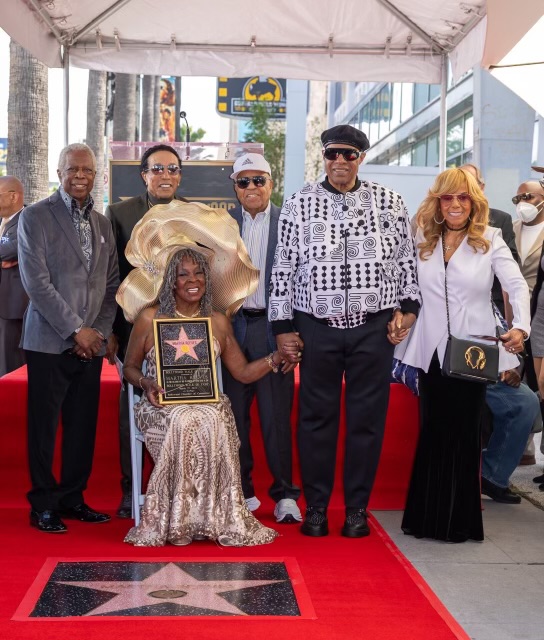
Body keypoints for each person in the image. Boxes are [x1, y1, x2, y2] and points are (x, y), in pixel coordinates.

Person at [269, 124, 420, 538]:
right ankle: (316, 507)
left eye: (348, 155)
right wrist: (282, 326)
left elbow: (406, 262)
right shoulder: (299, 203)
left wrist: (408, 309)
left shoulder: (390, 201)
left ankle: (356, 508)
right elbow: (282, 267)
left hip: (374, 328)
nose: (339, 161)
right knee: (316, 418)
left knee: (366, 419)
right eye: (332, 154)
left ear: (361, 158)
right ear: (323, 155)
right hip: (315, 326)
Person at [121, 247, 300, 547]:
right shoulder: (150, 318)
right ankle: (178, 519)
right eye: (184, 274)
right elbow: (128, 367)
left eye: (199, 272)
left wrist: (275, 357)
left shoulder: (216, 321)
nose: (193, 280)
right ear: (171, 282)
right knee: (184, 418)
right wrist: (146, 382)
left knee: (214, 414)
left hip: (203, 404)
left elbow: (241, 372)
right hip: (159, 405)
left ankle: (212, 517)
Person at [395, 167, 530, 542]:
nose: (455, 204)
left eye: (463, 197)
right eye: (448, 197)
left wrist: (520, 327)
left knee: (465, 433)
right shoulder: (422, 238)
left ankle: (459, 520)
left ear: (474, 202)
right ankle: (426, 518)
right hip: (431, 350)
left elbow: (516, 284)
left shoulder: (491, 239)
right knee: (434, 431)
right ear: (438, 202)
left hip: (473, 351)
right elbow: (403, 284)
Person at [18, 143, 119, 533]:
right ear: (59, 171)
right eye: (73, 168)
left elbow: (111, 285)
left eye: (88, 170)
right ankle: (42, 504)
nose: (80, 175)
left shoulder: (102, 222)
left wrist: (100, 332)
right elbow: (37, 284)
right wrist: (77, 331)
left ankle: (72, 497)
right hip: (48, 341)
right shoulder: (35, 217)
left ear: (96, 175)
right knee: (43, 427)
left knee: (82, 426)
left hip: (91, 344)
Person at [105, 143, 185, 518]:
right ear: (144, 175)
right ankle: (130, 488)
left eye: (172, 169)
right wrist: (112, 329)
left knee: (182, 405)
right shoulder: (119, 214)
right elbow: (110, 278)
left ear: (179, 175)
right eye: (157, 170)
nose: (165, 176)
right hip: (133, 329)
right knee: (132, 411)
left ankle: (177, 487)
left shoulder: (195, 215)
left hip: (183, 334)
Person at [223, 153, 301, 524]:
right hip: (234, 328)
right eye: (243, 181)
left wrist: (295, 334)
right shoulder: (221, 225)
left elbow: (306, 279)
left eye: (259, 180)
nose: (251, 187)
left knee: (276, 418)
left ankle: (285, 495)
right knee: (234, 417)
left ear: (271, 183)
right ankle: (242, 491)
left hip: (276, 327)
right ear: (235, 187)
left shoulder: (291, 221)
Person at [513, 178, 544, 465]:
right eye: (518, 198)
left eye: (529, 197)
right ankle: (524, 448)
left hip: (539, 310)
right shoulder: (512, 228)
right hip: (515, 313)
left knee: (538, 380)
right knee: (516, 374)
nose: (523, 202)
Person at [0, 176, 28, 377]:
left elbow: (14, 250)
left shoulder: (28, 219)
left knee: (11, 363)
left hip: (13, 307)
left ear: (13, 196)